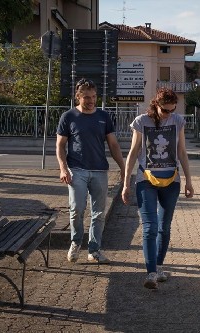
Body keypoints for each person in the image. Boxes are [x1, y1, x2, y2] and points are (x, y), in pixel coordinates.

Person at [121, 88, 194, 289]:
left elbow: (182, 152)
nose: (168, 114)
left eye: (172, 110)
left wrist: (188, 180)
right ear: (156, 105)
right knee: (150, 227)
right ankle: (151, 273)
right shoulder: (141, 121)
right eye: (165, 110)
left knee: (164, 227)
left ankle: (159, 266)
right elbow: (134, 152)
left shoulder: (178, 121)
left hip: (172, 180)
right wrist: (126, 183)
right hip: (146, 179)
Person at [56, 78, 125, 264]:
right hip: (75, 169)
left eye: (94, 97)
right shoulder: (68, 117)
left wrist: (123, 167)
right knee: (77, 209)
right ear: (77, 97)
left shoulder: (104, 116)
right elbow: (60, 145)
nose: (91, 101)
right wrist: (63, 168)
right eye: (86, 97)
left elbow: (113, 145)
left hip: (99, 170)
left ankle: (94, 250)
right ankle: (76, 241)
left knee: (99, 213)